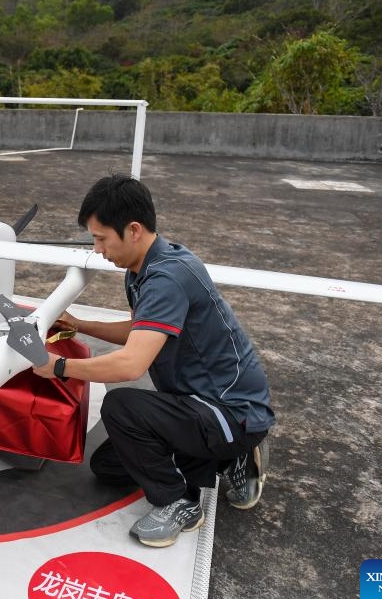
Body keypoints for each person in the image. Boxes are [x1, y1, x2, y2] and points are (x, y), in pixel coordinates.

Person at [33, 173, 274, 547]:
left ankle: (180, 502)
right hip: (198, 402)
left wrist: (59, 368)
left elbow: (131, 365)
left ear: (133, 230)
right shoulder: (144, 267)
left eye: (101, 238)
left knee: (121, 406)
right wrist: (81, 325)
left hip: (229, 411)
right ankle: (230, 458)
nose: (97, 249)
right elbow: (141, 329)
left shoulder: (166, 278)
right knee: (108, 467)